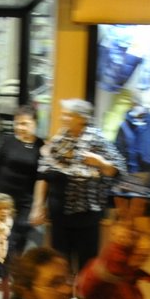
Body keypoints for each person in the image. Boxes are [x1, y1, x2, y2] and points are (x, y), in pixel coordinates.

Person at [37, 100, 123, 276]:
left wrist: (101, 162)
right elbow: (44, 172)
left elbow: (117, 169)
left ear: (82, 119)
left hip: (87, 218)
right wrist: (38, 205)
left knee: (87, 267)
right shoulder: (60, 139)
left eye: (68, 114)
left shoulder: (97, 140)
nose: (63, 117)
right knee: (60, 265)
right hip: (60, 217)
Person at [0, 103, 44, 272]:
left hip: (25, 200)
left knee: (18, 237)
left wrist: (39, 206)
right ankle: (1, 274)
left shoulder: (41, 147)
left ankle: (12, 273)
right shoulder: (8, 141)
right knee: (0, 235)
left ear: (35, 124)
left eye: (25, 123)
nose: (20, 127)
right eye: (17, 123)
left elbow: (42, 177)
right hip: (3, 199)